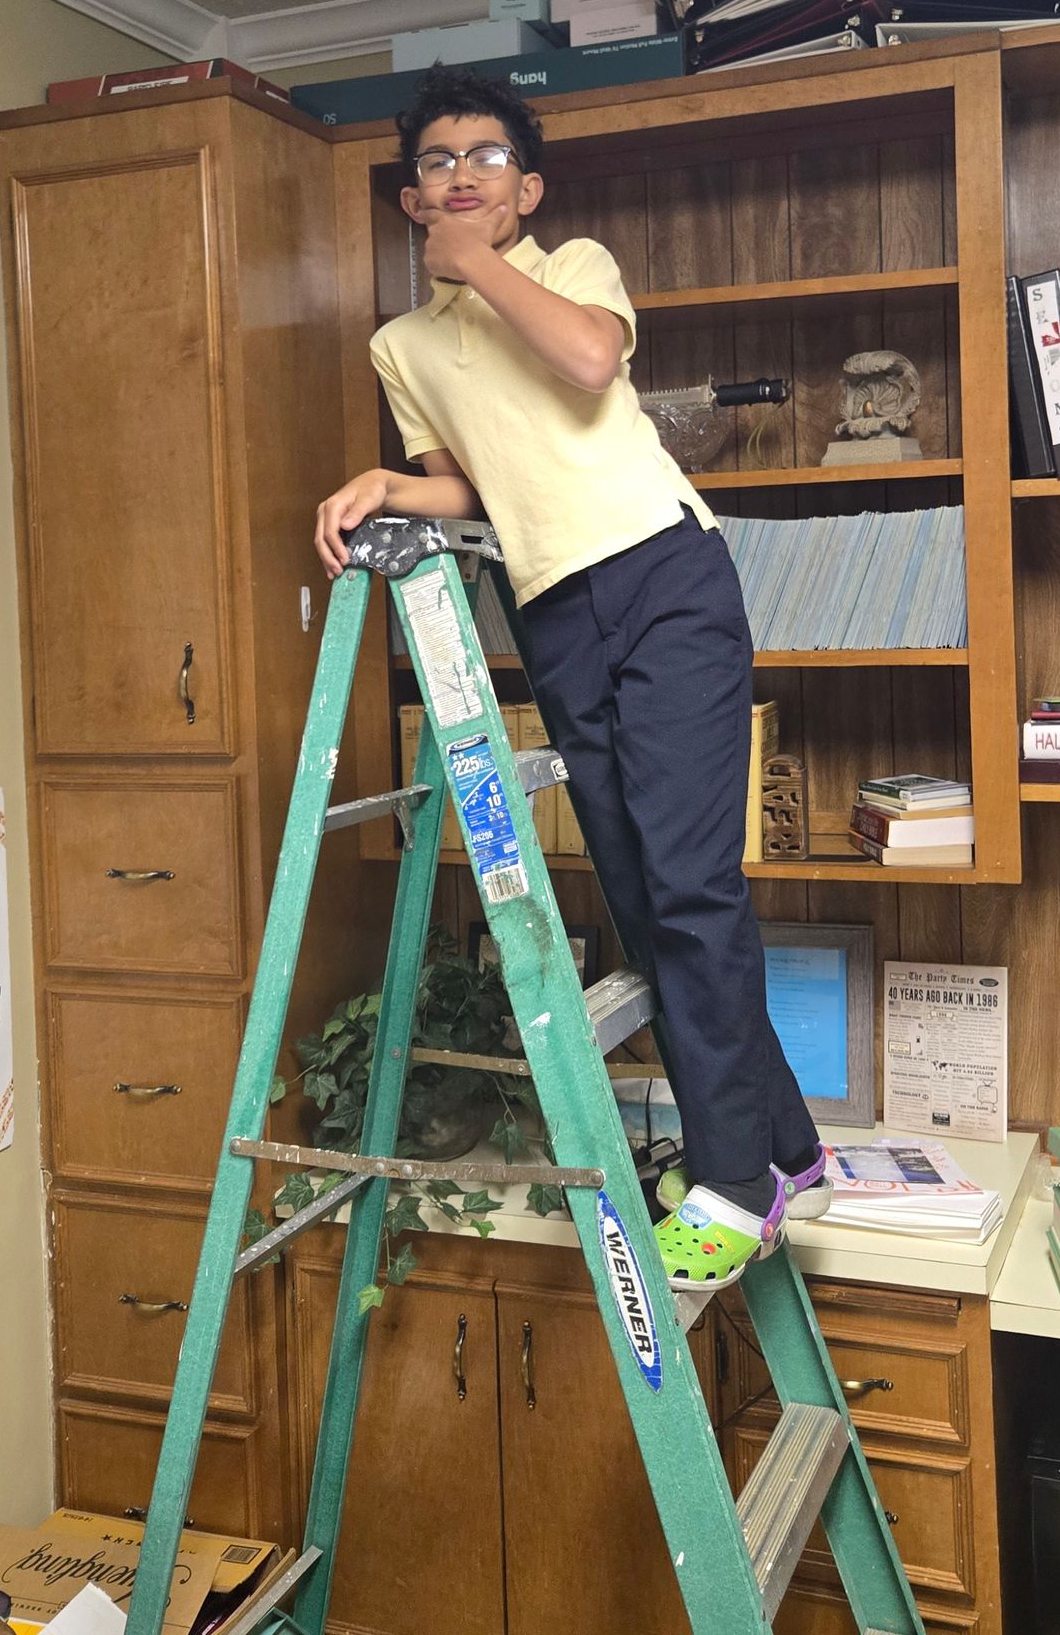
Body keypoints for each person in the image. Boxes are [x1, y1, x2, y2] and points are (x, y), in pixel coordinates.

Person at [314, 65, 826, 1290]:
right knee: (646, 899)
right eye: (437, 163)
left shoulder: (570, 266)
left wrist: (479, 256)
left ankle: (734, 1181)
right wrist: (388, 483)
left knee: (695, 884)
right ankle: (791, 1145)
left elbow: (591, 365)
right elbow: (474, 485)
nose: (460, 177)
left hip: (665, 576)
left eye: (485, 160)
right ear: (407, 194)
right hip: (551, 608)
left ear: (525, 188)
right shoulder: (401, 346)